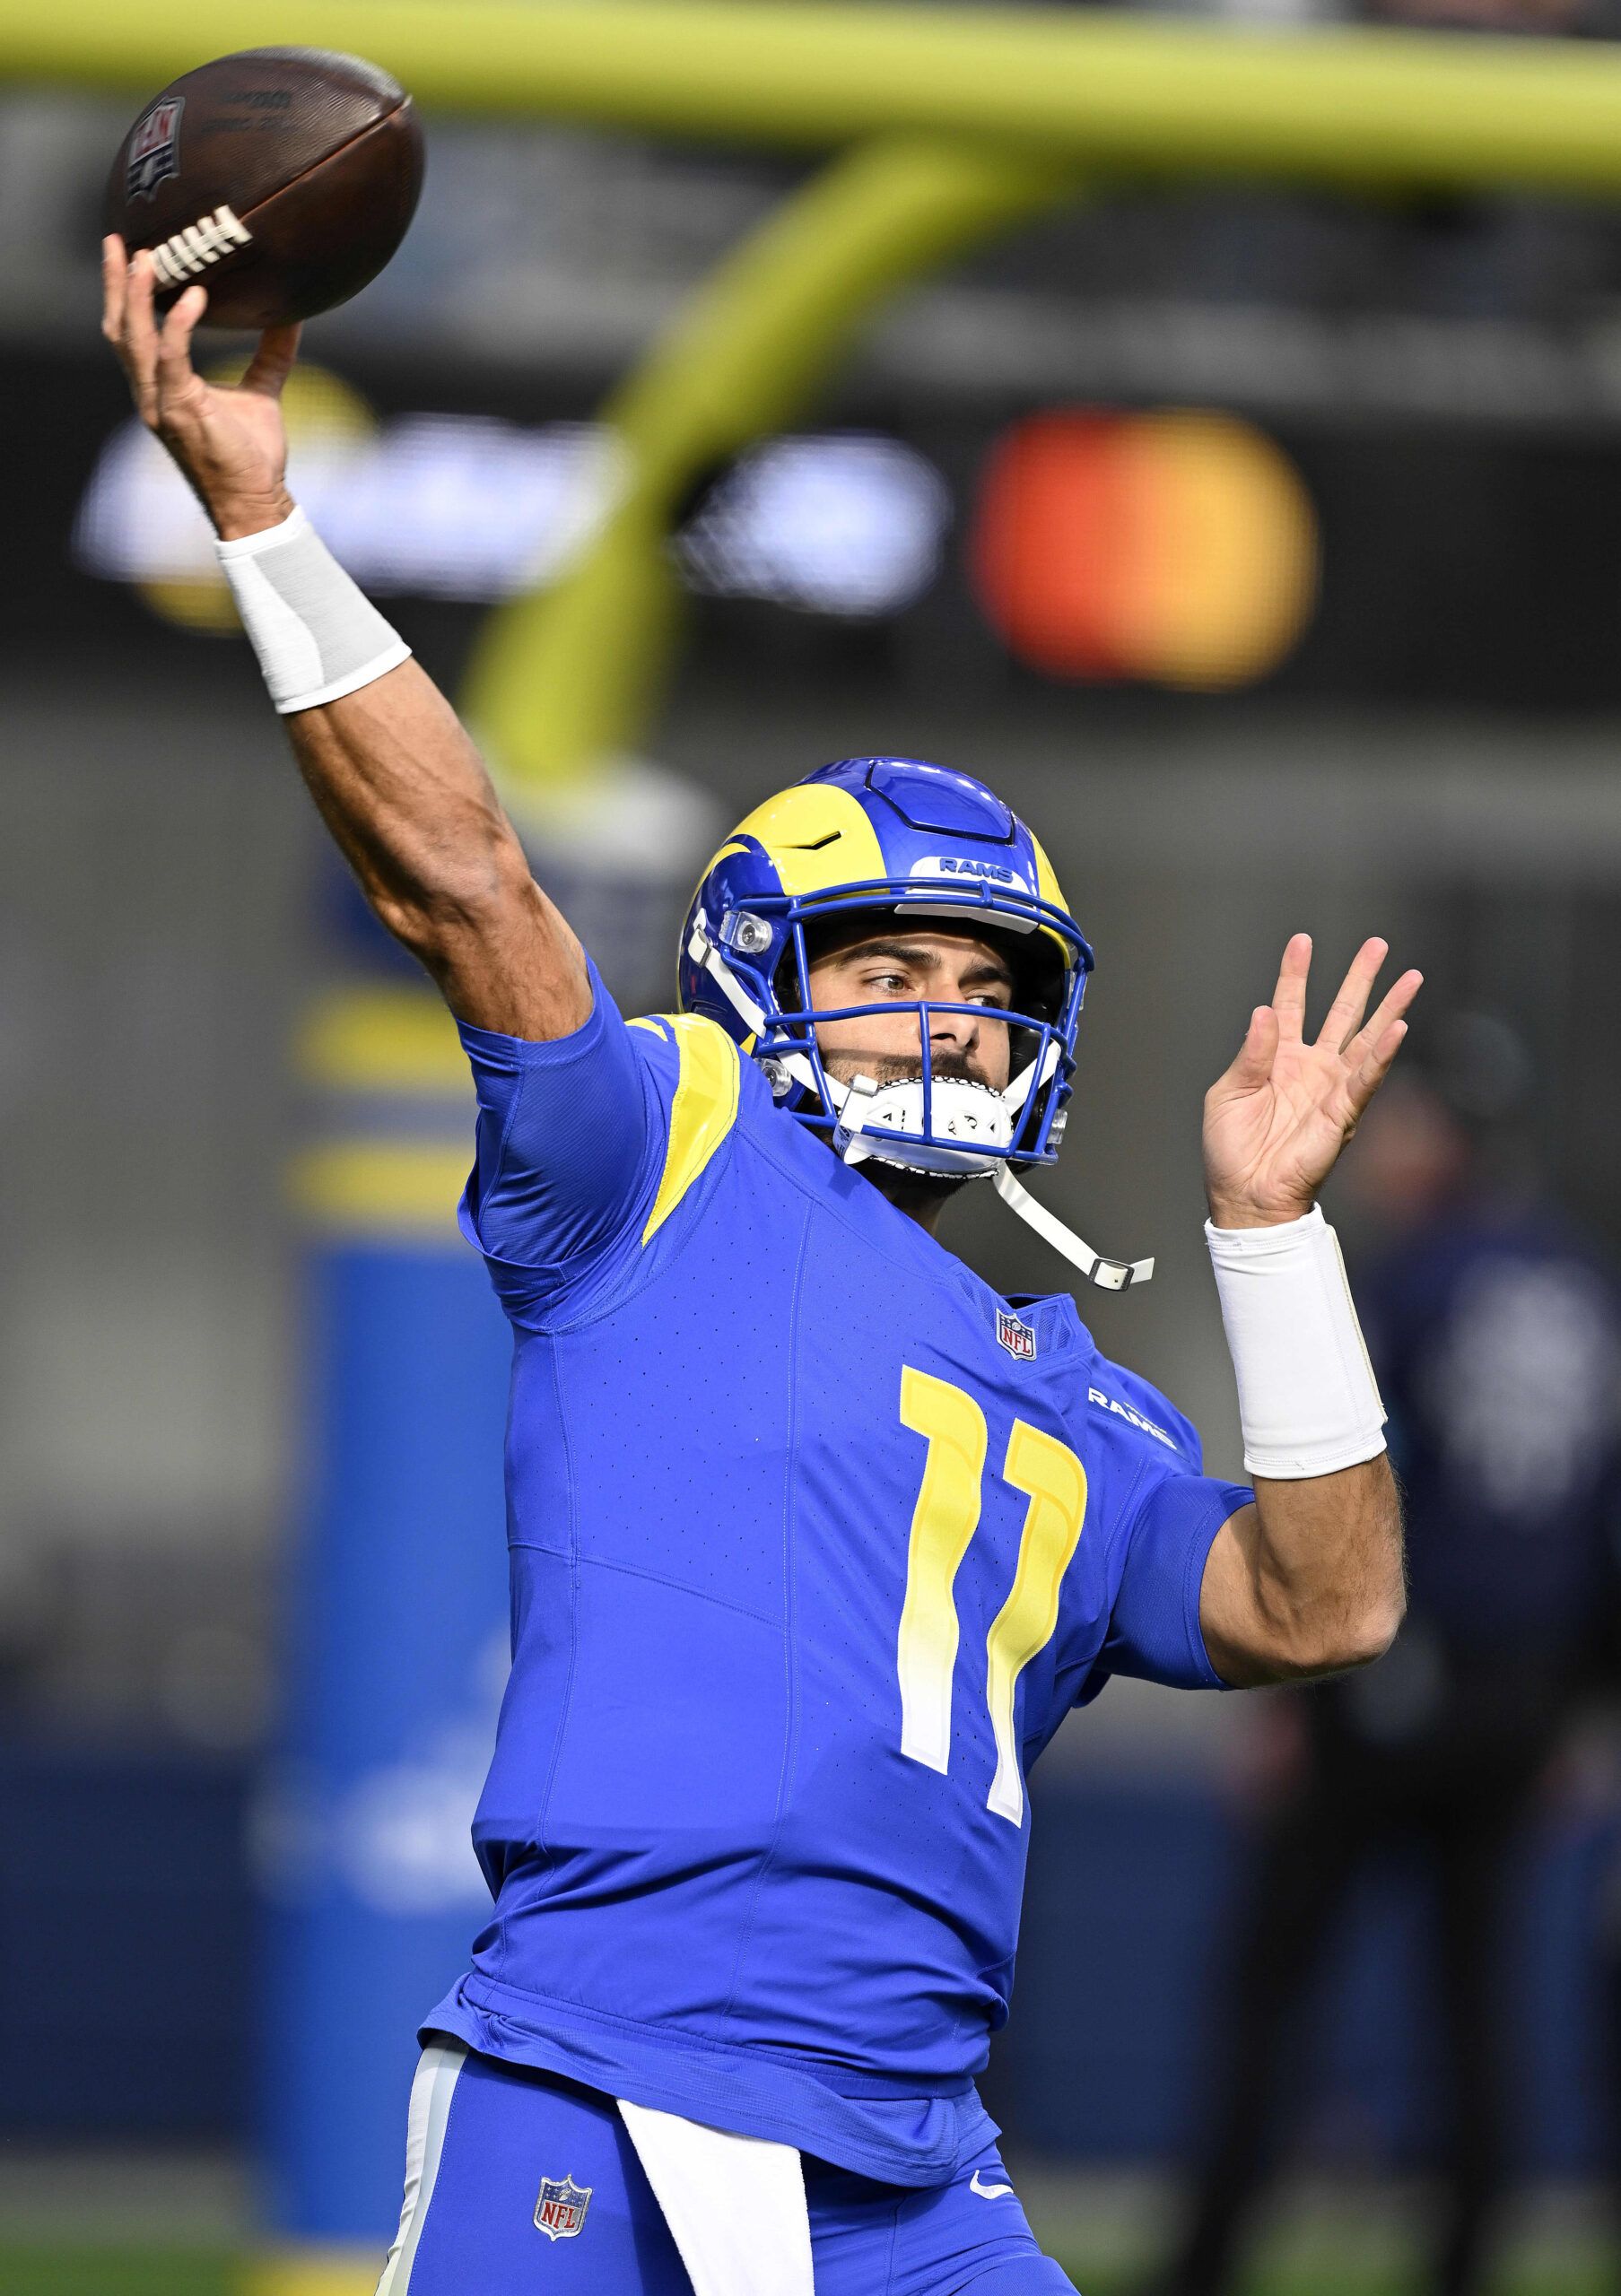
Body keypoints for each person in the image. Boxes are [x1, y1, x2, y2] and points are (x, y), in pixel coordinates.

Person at [102, 243, 1416, 2296]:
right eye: (886, 966)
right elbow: (460, 870)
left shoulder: (1086, 1391)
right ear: (760, 980)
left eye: (987, 987)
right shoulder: (666, 1149)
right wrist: (265, 519)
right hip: (603, 2087)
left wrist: (1272, 1238)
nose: (946, 1020)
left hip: (915, 2163)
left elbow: (1324, 1604)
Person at [1160, 1031, 1621, 2296]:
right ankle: (1468, 2256)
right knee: (1476, 1994)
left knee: (1277, 1981)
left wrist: (1295, 1699)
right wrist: (1581, 1709)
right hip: (1522, 1694)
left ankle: (1210, 2254)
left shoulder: (1414, 1280)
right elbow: (1602, 1522)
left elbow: (1354, 1495)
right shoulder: (1581, 1283)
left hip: (1389, 1682)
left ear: (1446, 1139)